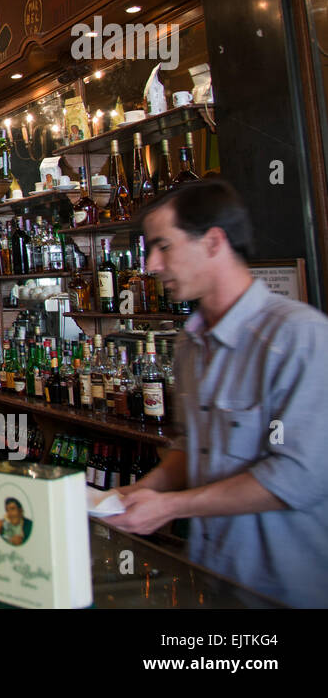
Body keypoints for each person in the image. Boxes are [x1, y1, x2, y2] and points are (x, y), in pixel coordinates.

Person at [110, 179, 328, 607]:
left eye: (163, 246)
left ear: (213, 242)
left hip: (285, 589)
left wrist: (172, 508)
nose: (151, 265)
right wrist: (143, 491)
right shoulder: (191, 344)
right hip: (211, 577)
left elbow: (297, 478)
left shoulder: (299, 337)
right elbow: (195, 446)